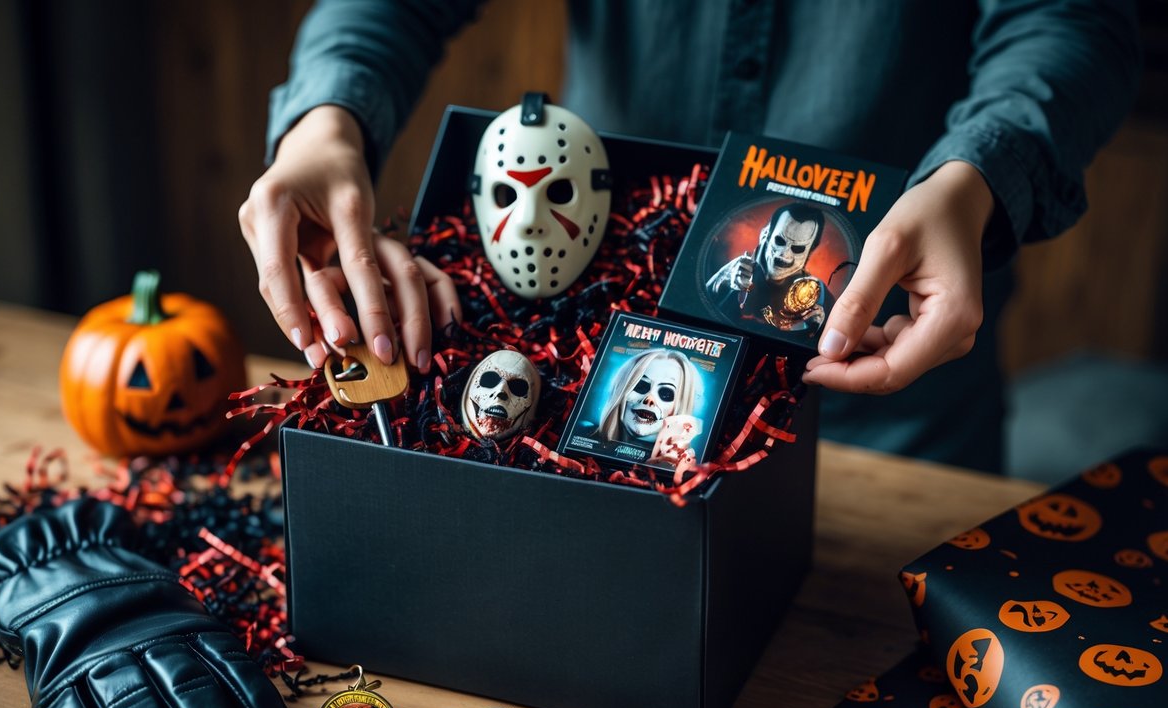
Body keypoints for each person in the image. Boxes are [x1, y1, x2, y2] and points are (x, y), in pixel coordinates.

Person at [239, 1, 1142, 473]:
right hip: (600, 343)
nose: (783, 256)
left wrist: (975, 175)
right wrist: (325, 119)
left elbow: (1070, 16)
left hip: (887, 363)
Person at [706, 202, 827, 332]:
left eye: (797, 249)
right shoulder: (732, 272)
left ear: (810, 251)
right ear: (765, 234)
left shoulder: (817, 295)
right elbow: (698, 306)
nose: (784, 255)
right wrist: (725, 283)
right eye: (780, 241)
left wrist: (816, 328)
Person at [596, 349, 700, 448]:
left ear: (681, 406)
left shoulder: (682, 463)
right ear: (622, 389)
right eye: (640, 386)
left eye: (666, 393)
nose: (649, 399)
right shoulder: (585, 434)